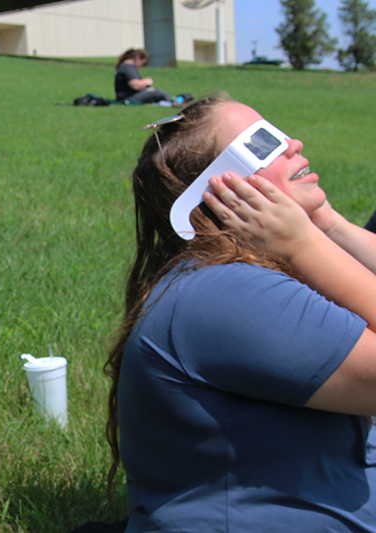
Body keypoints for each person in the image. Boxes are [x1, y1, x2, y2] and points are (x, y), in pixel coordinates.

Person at [105, 96, 376, 532]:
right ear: (220, 191)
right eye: (264, 143)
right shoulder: (224, 293)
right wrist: (306, 243)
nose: (293, 144)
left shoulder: (240, 273)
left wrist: (329, 226)